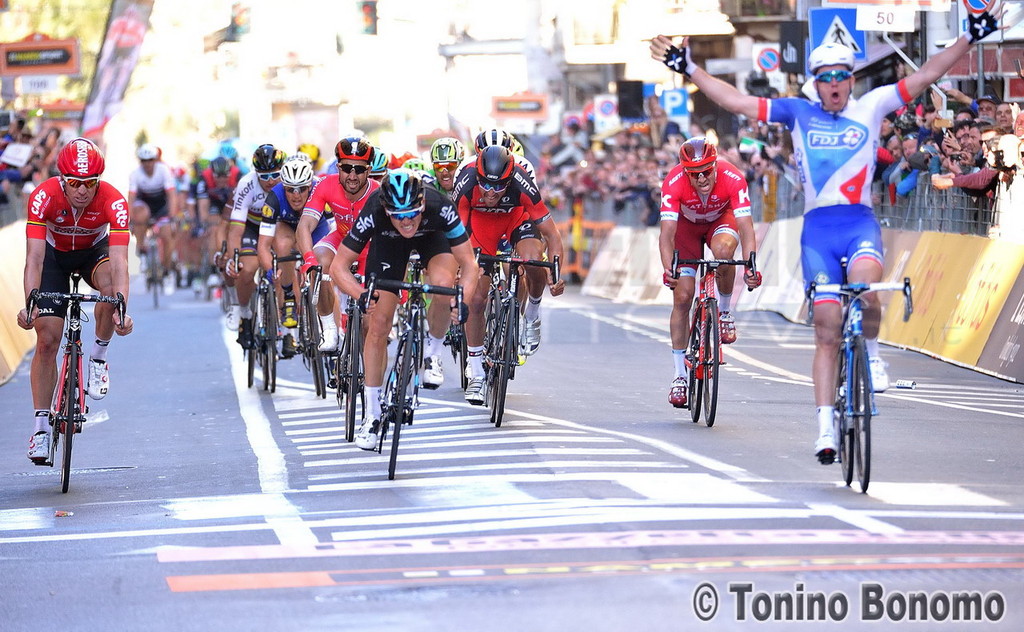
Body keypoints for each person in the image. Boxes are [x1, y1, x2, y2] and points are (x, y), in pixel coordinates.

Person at [650, 5, 1015, 464]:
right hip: (818, 232)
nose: (836, 83)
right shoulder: (797, 112)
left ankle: (873, 357)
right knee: (825, 330)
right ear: (816, 83)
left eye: (843, 75)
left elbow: (926, 75)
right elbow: (737, 101)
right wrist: (689, 68)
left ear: (851, 79)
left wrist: (969, 38)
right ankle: (825, 428)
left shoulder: (872, 105)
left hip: (859, 223)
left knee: (867, 291)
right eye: (827, 77)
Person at [329, 169, 479, 450]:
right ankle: (372, 415)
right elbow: (338, 267)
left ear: (422, 203)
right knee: (378, 324)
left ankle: (433, 354)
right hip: (389, 245)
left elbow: (469, 264)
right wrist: (361, 295)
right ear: (386, 209)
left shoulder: (440, 205)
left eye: (412, 213)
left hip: (433, 239)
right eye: (398, 215)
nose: (406, 221)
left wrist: (463, 300)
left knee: (443, 286)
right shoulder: (374, 208)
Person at [17, 138, 134, 463]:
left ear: (98, 181)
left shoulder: (114, 200)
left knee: (110, 287)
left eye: (90, 183)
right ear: (62, 179)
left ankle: (98, 358)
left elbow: (120, 262)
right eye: (74, 183)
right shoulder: (43, 196)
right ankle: (41, 428)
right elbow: (34, 259)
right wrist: (31, 304)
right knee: (47, 340)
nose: (82, 190)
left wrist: (122, 308)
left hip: (93, 254)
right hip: (53, 256)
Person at [450, 145, 565, 404]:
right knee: (476, 297)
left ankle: (532, 315)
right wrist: (462, 269)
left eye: (499, 186)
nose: (491, 193)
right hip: (479, 225)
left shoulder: (523, 183)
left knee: (533, 260)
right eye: (485, 185)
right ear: (477, 176)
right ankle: (476, 371)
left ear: (510, 179)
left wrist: (556, 272)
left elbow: (552, 235)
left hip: (516, 219)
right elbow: (456, 236)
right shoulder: (466, 183)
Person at [659, 137, 761, 408]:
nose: (702, 178)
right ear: (685, 173)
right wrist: (668, 269)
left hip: (721, 220)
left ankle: (724, 312)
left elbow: (746, 226)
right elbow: (667, 234)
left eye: (706, 170)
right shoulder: (673, 182)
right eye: (695, 174)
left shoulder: (733, 177)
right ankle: (679, 376)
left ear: (715, 165)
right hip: (686, 229)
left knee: (724, 252)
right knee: (683, 297)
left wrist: (750, 265)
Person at [297, 136, 379, 353]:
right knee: (318, 261)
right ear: (338, 167)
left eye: (359, 170)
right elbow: (305, 225)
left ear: (369, 171)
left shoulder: (378, 192)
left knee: (368, 325)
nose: (352, 175)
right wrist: (308, 260)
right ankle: (329, 328)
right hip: (341, 239)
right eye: (346, 168)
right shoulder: (325, 184)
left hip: (369, 250)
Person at [258, 155, 332, 358]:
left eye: (302, 189)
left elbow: (335, 233)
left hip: (315, 226)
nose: (296, 195)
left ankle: (332, 329)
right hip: (287, 227)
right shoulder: (274, 197)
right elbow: (263, 245)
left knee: (323, 269)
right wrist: (272, 271)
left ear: (310, 186)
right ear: (284, 187)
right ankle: (289, 296)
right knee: (282, 245)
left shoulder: (321, 190)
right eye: (290, 189)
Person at [225, 144, 286, 345]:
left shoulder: (288, 182)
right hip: (252, 228)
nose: (270, 181)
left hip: (278, 226)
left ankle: (287, 327)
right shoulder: (247, 184)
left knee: (284, 268)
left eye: (275, 175)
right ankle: (244, 313)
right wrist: (234, 259)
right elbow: (235, 230)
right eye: (264, 176)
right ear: (255, 173)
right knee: (248, 268)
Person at [128, 143, 179, 286]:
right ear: (140, 162)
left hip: (161, 206)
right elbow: (131, 198)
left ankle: (166, 268)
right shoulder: (135, 174)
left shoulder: (163, 170)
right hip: (144, 204)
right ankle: (141, 249)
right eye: (144, 161)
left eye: (150, 160)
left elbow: (172, 196)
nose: (147, 164)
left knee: (167, 234)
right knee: (139, 215)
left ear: (155, 160)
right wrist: (131, 220)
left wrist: (172, 217)